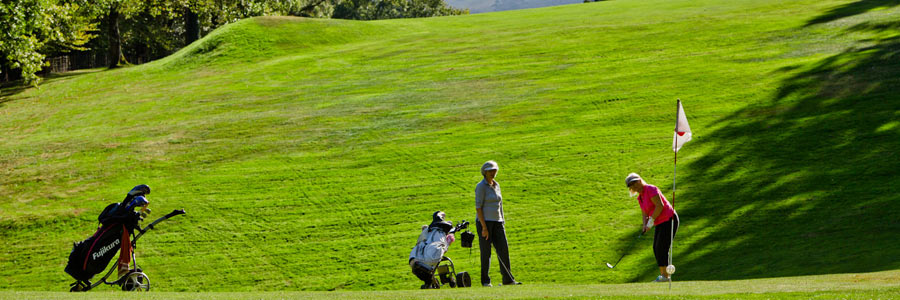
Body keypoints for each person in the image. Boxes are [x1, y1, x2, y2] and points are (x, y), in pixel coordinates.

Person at [626, 173, 679, 282]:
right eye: (631, 185)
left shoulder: (650, 189)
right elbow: (644, 213)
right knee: (656, 248)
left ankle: (666, 276)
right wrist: (645, 225)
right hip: (659, 222)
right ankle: (664, 275)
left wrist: (651, 220)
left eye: (635, 182)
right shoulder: (640, 198)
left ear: (640, 181)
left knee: (662, 247)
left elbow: (660, 206)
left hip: (669, 219)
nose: (634, 186)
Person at [475, 160, 521, 287]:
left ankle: (508, 279)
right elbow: (478, 207)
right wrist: (484, 227)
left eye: (494, 170)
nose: (492, 173)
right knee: (486, 252)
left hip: (498, 221)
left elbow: (500, 204)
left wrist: (503, 220)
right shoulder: (481, 186)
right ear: (484, 172)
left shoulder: (496, 185)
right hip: (485, 222)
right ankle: (485, 281)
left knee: (503, 250)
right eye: (490, 171)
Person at [409, 211, 457, 289]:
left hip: (425, 256)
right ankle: (430, 282)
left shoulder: (431, 233)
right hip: (429, 255)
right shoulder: (437, 234)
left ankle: (430, 282)